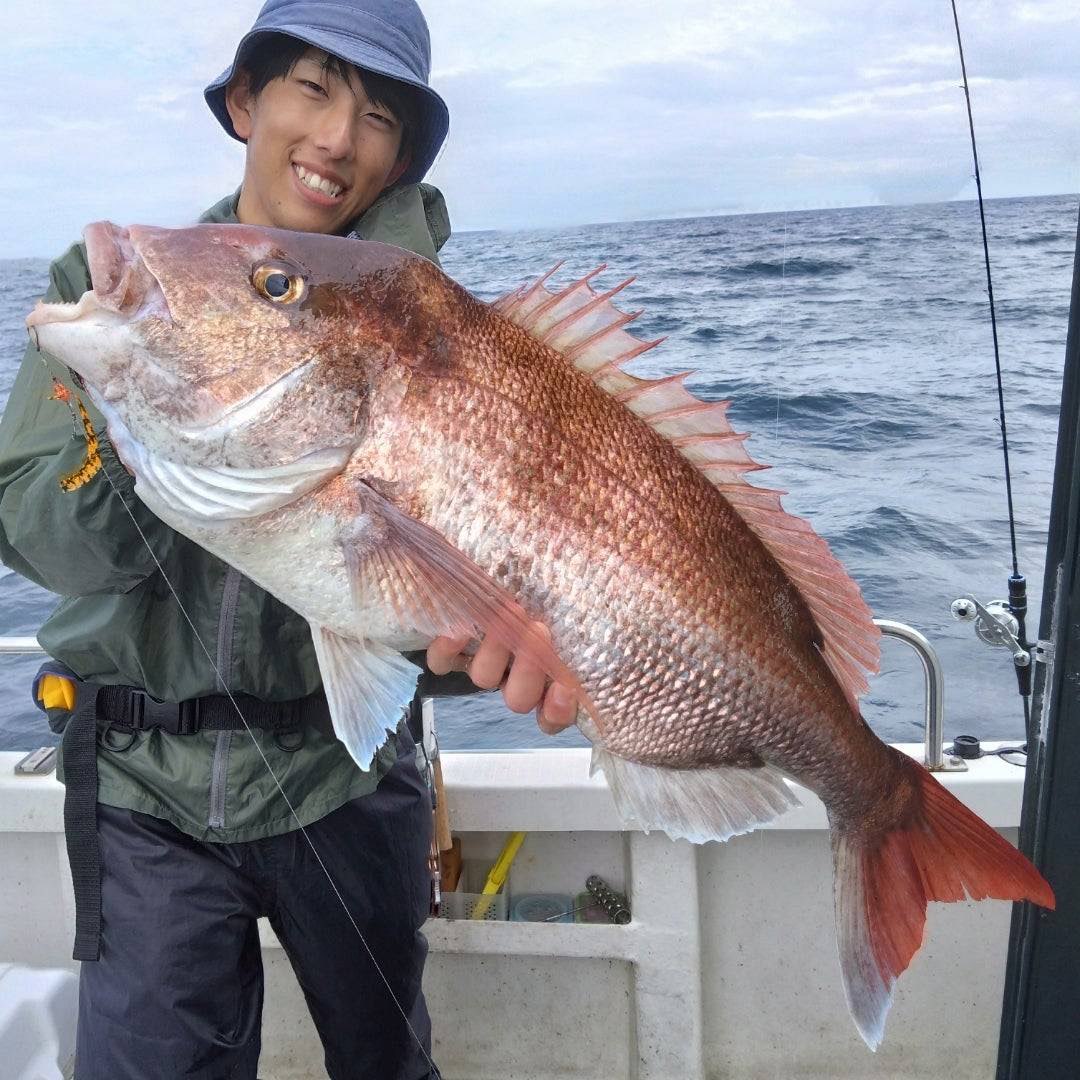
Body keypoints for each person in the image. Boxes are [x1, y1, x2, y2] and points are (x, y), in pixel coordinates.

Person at [0, 2, 576, 1077]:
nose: (336, 137)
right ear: (243, 101)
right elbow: (46, 544)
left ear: (399, 157)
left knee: (386, 1061)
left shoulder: (441, 339)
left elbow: (431, 615)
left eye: (377, 116)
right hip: (144, 780)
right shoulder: (111, 299)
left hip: (344, 779)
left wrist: (476, 648)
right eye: (311, 88)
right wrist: (144, 417)